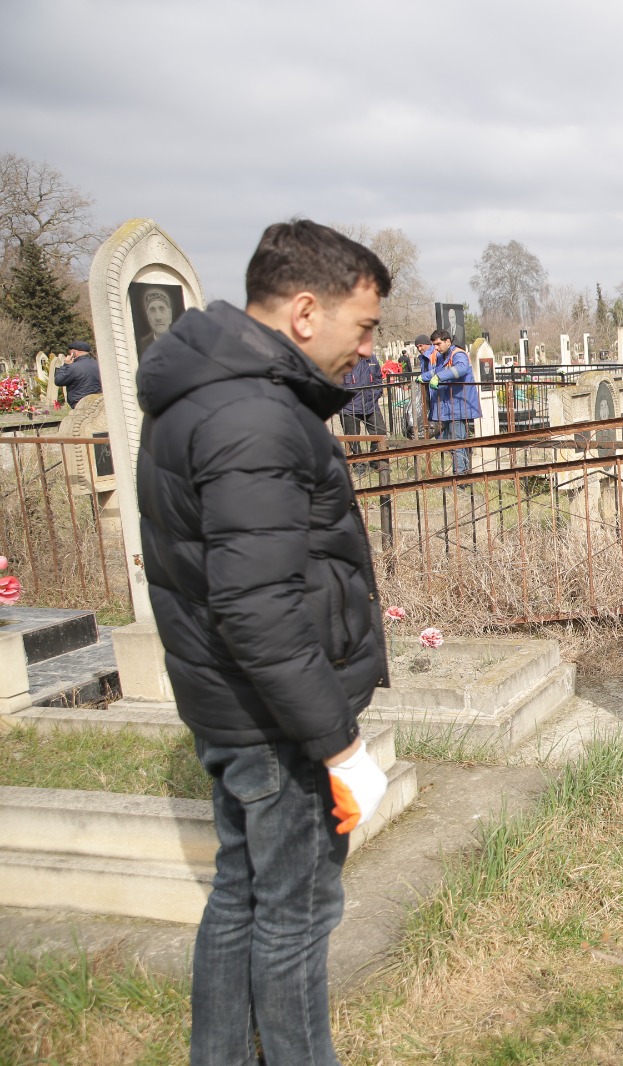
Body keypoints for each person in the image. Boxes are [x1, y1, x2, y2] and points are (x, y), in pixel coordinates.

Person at [134, 219, 393, 1064]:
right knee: (296, 914)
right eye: (364, 326)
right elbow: (258, 609)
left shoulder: (212, 390)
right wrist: (339, 744)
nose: (369, 349)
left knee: (242, 897)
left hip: (233, 703)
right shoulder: (254, 415)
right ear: (307, 311)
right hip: (275, 720)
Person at [419, 329, 480, 475]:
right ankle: (463, 473)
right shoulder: (443, 356)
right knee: (452, 441)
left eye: (438, 344)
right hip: (449, 405)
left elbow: (461, 369)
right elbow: (436, 371)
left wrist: (439, 377)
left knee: (457, 440)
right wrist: (423, 377)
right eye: (434, 345)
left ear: (448, 341)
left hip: (458, 404)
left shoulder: (458, 354)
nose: (436, 348)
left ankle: (460, 476)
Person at [339, 349, 388, 478]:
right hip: (349, 406)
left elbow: (378, 377)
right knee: (352, 438)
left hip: (370, 404)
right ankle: (359, 465)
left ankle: (376, 460)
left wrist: (376, 393)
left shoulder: (371, 358)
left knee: (380, 432)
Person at [53, 340, 101, 408]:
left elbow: (58, 380)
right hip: (98, 402)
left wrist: (65, 365)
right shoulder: (98, 364)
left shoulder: (73, 367)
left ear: (74, 353)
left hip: (79, 403)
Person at [136, 287, 177, 354]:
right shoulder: (141, 347)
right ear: (148, 316)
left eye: (162, 309)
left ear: (170, 314)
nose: (158, 317)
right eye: (152, 310)